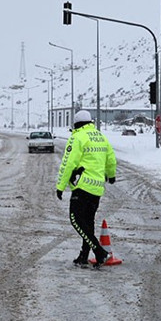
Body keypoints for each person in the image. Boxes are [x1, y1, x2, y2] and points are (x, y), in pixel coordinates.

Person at [55, 110, 117, 268]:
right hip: (97, 188)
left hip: (83, 186)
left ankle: (99, 251)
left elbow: (68, 163)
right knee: (88, 223)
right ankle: (83, 255)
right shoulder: (101, 137)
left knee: (76, 220)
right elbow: (111, 158)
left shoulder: (77, 137)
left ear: (76, 124)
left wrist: (60, 186)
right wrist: (111, 175)